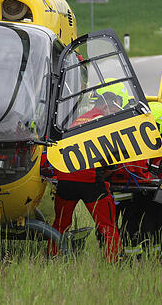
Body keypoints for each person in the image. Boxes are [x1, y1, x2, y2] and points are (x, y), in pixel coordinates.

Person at [48, 88, 125, 261]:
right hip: (89, 179)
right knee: (107, 224)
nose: (115, 113)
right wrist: (110, 171)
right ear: (106, 106)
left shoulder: (78, 120)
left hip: (65, 177)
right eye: (115, 109)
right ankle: (115, 260)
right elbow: (111, 157)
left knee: (60, 224)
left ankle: (53, 256)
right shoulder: (102, 121)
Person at [109, 100, 162, 258]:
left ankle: (158, 256)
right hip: (142, 189)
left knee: (159, 224)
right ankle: (135, 257)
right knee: (134, 222)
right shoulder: (149, 138)